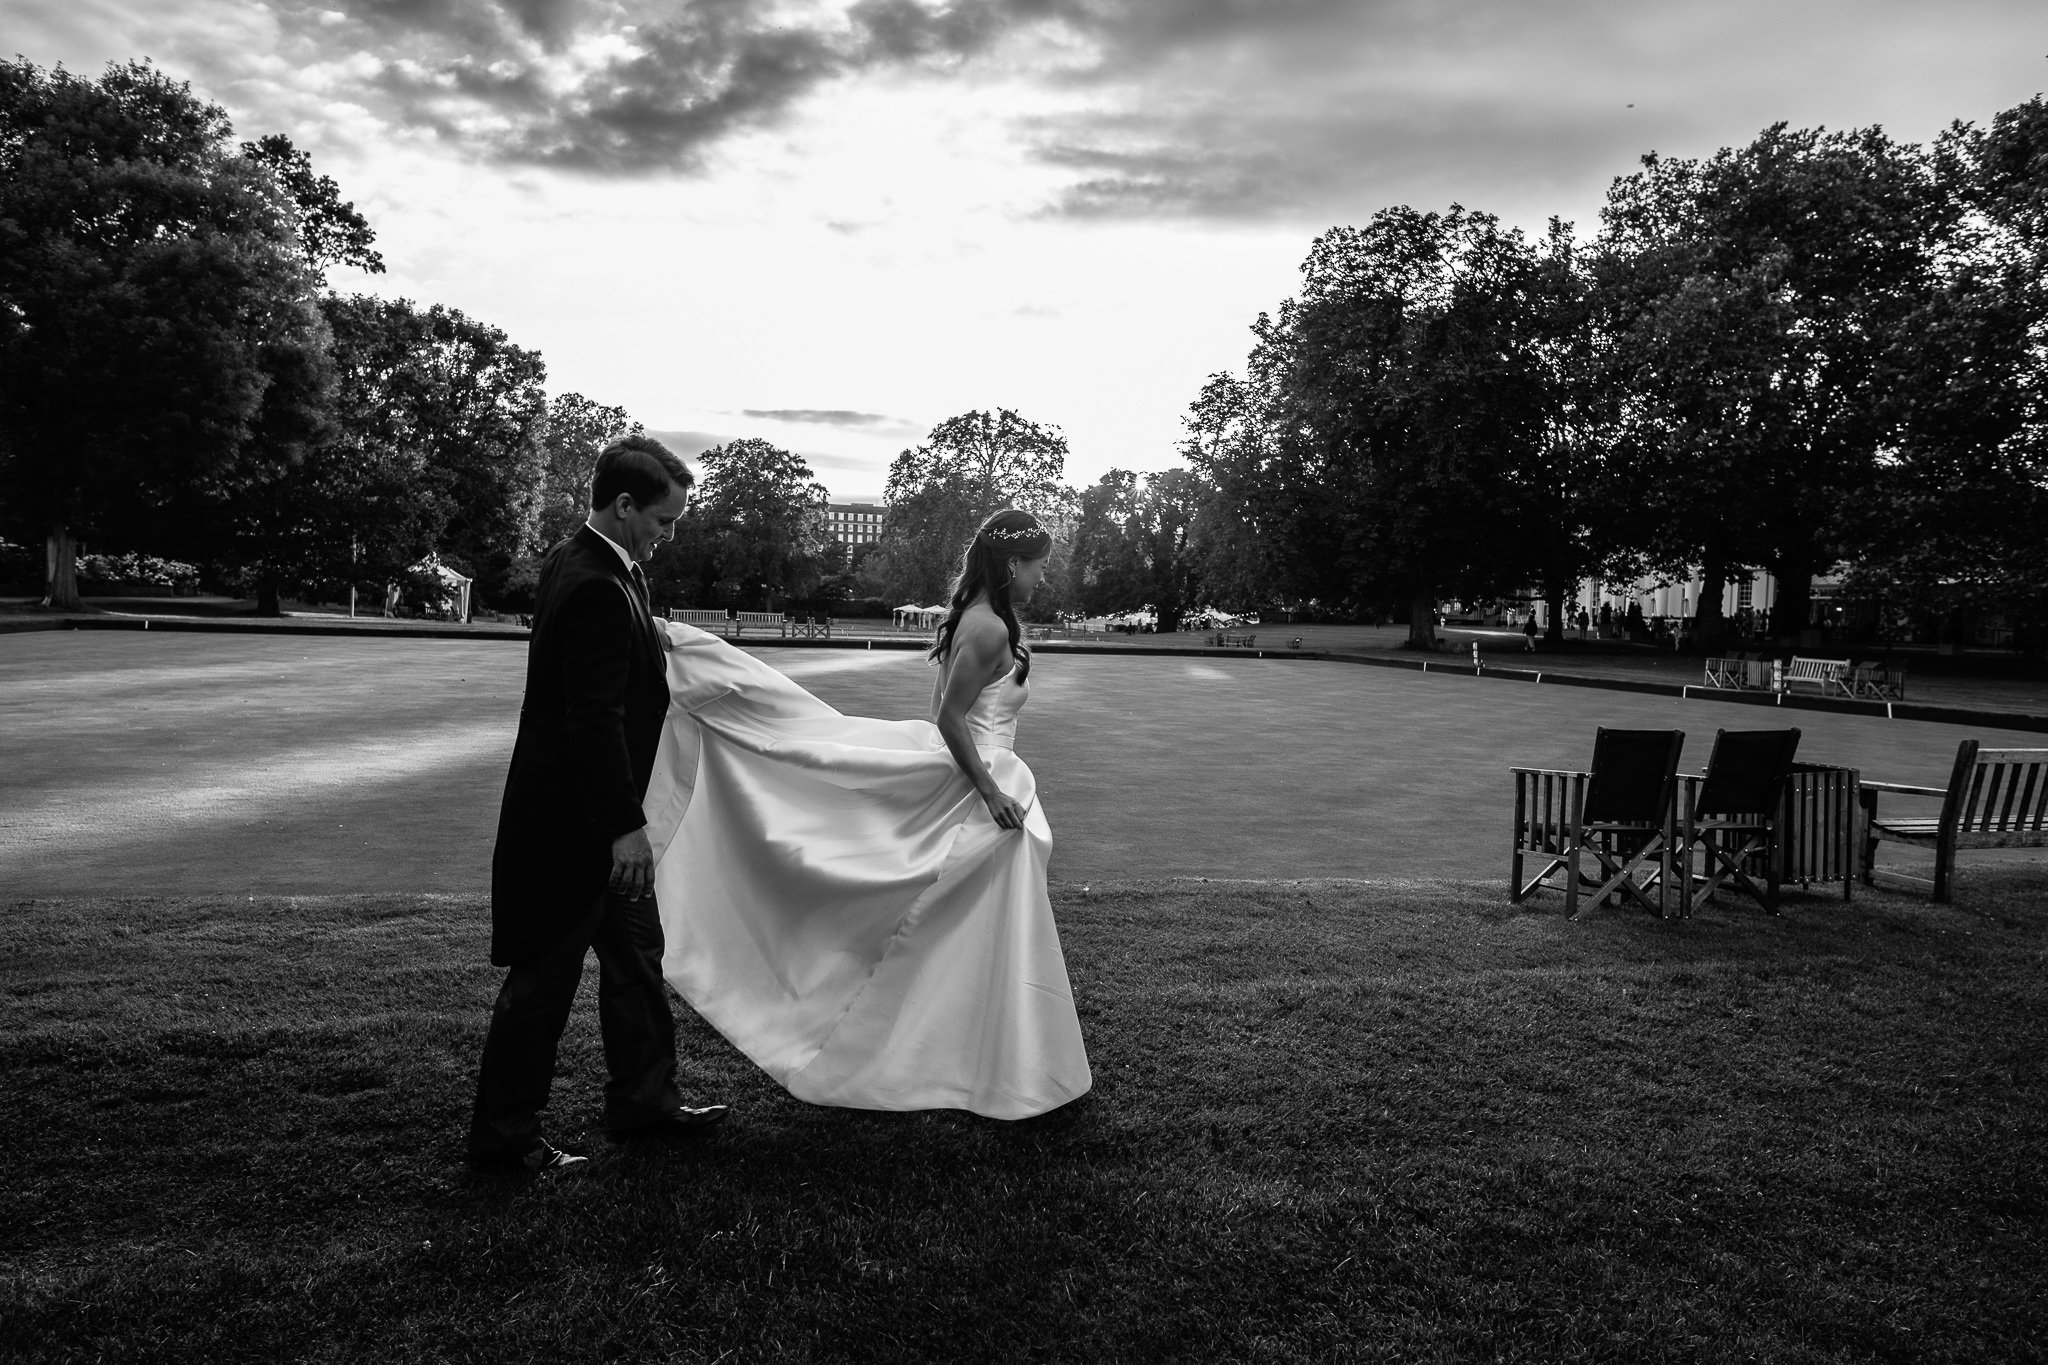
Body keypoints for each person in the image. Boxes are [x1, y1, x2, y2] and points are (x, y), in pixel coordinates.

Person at [645, 508, 1091, 1119]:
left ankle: (978, 1049)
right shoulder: (988, 628)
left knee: (964, 921)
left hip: (977, 775)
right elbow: (949, 718)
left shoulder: (980, 618)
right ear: (1014, 564)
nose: (1042, 578)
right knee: (952, 915)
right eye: (1039, 566)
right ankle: (971, 1054)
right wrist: (988, 790)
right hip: (980, 783)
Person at [468, 436, 729, 1176]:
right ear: (624, 506)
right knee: (542, 986)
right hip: (573, 832)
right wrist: (624, 830)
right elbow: (592, 720)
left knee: (638, 957)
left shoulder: (586, 564)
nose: (668, 535)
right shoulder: (593, 582)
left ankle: (645, 1100)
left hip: (591, 824)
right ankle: (503, 1139)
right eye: (664, 520)